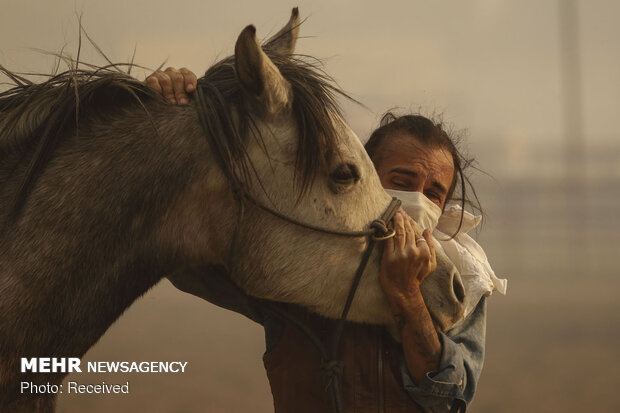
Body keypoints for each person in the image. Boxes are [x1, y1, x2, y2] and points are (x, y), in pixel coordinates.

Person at [146, 68, 489, 413]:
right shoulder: (308, 261)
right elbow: (181, 259)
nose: (416, 201)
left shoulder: (461, 280)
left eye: (433, 194)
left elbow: (447, 397)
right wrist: (164, 119)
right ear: (368, 180)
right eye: (401, 182)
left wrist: (407, 294)